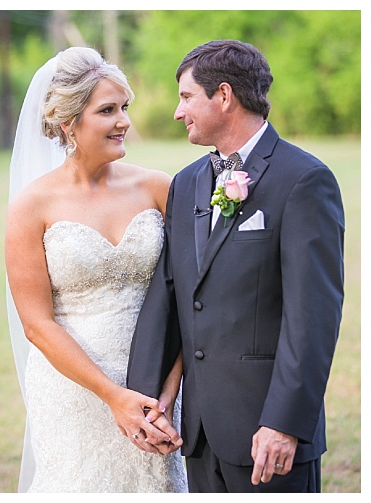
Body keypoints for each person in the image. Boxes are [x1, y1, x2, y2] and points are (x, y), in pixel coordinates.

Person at [127, 40, 343, 493]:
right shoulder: (185, 185)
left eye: (186, 97)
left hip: (270, 436)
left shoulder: (304, 180)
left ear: (224, 96)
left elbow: (313, 318)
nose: (177, 111)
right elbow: (170, 295)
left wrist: (284, 423)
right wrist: (148, 399)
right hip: (201, 435)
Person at [3, 47, 187, 492]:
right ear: (69, 121)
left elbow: (188, 299)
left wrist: (167, 393)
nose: (124, 120)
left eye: (125, 107)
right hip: (74, 389)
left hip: (154, 381)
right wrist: (113, 396)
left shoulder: (159, 188)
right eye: (108, 110)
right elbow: (37, 325)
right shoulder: (32, 206)